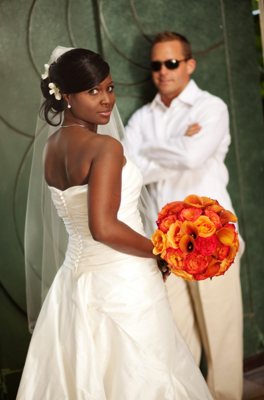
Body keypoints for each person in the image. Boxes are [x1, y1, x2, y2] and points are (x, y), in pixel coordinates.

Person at [16, 47, 213, 400]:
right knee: (145, 375)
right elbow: (103, 228)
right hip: (123, 280)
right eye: (93, 91)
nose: (106, 99)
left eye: (109, 88)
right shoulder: (104, 147)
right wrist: (163, 250)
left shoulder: (52, 147)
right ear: (67, 96)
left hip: (75, 279)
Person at [125, 31, 244, 400]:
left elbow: (192, 158)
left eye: (171, 62)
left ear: (189, 65)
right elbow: (131, 169)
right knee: (176, 338)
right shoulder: (142, 117)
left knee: (221, 337)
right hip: (165, 244)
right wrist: (177, 143)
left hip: (214, 238)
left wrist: (150, 151)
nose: (163, 71)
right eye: (157, 64)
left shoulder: (211, 108)